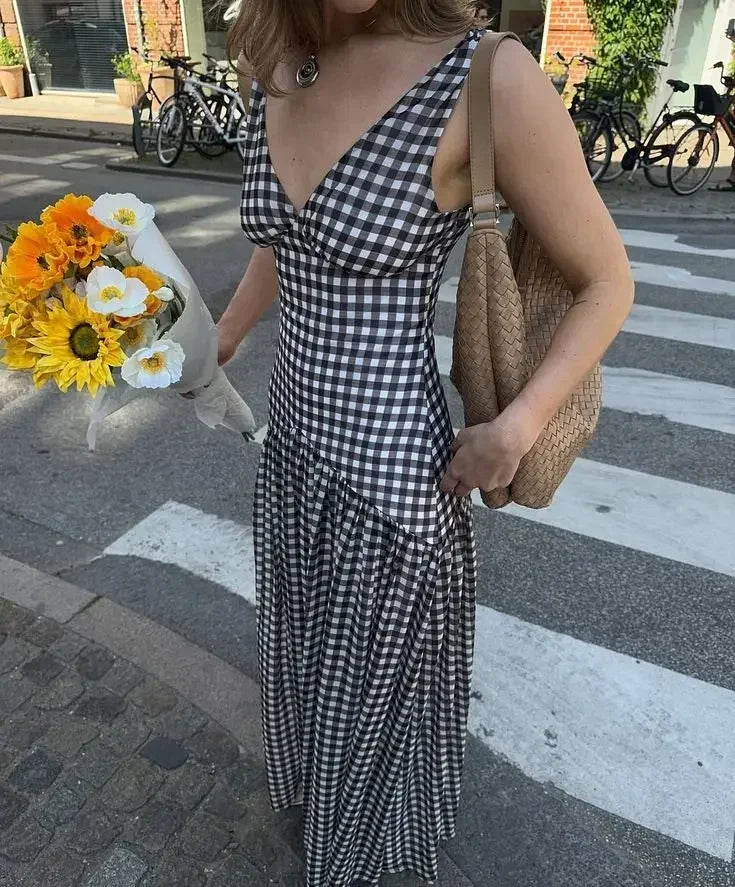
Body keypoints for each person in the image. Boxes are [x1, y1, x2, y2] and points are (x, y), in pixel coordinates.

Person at [221, 2, 633, 885]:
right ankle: (328, 826)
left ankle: (358, 858)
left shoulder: (486, 75)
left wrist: (515, 429)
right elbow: (285, 242)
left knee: (371, 706)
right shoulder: (279, 56)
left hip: (389, 477)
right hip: (290, 451)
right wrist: (208, 341)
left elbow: (607, 281)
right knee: (308, 669)